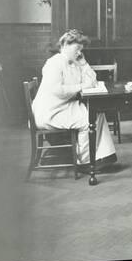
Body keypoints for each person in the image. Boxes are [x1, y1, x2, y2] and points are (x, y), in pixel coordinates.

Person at [32, 29, 117, 168]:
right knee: (87, 121)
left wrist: (83, 63)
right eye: (77, 49)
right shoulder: (54, 63)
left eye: (81, 50)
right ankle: (84, 162)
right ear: (65, 44)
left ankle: (103, 156)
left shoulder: (74, 62)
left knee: (97, 114)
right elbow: (57, 91)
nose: (79, 53)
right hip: (50, 112)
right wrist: (82, 85)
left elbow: (93, 80)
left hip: (63, 106)